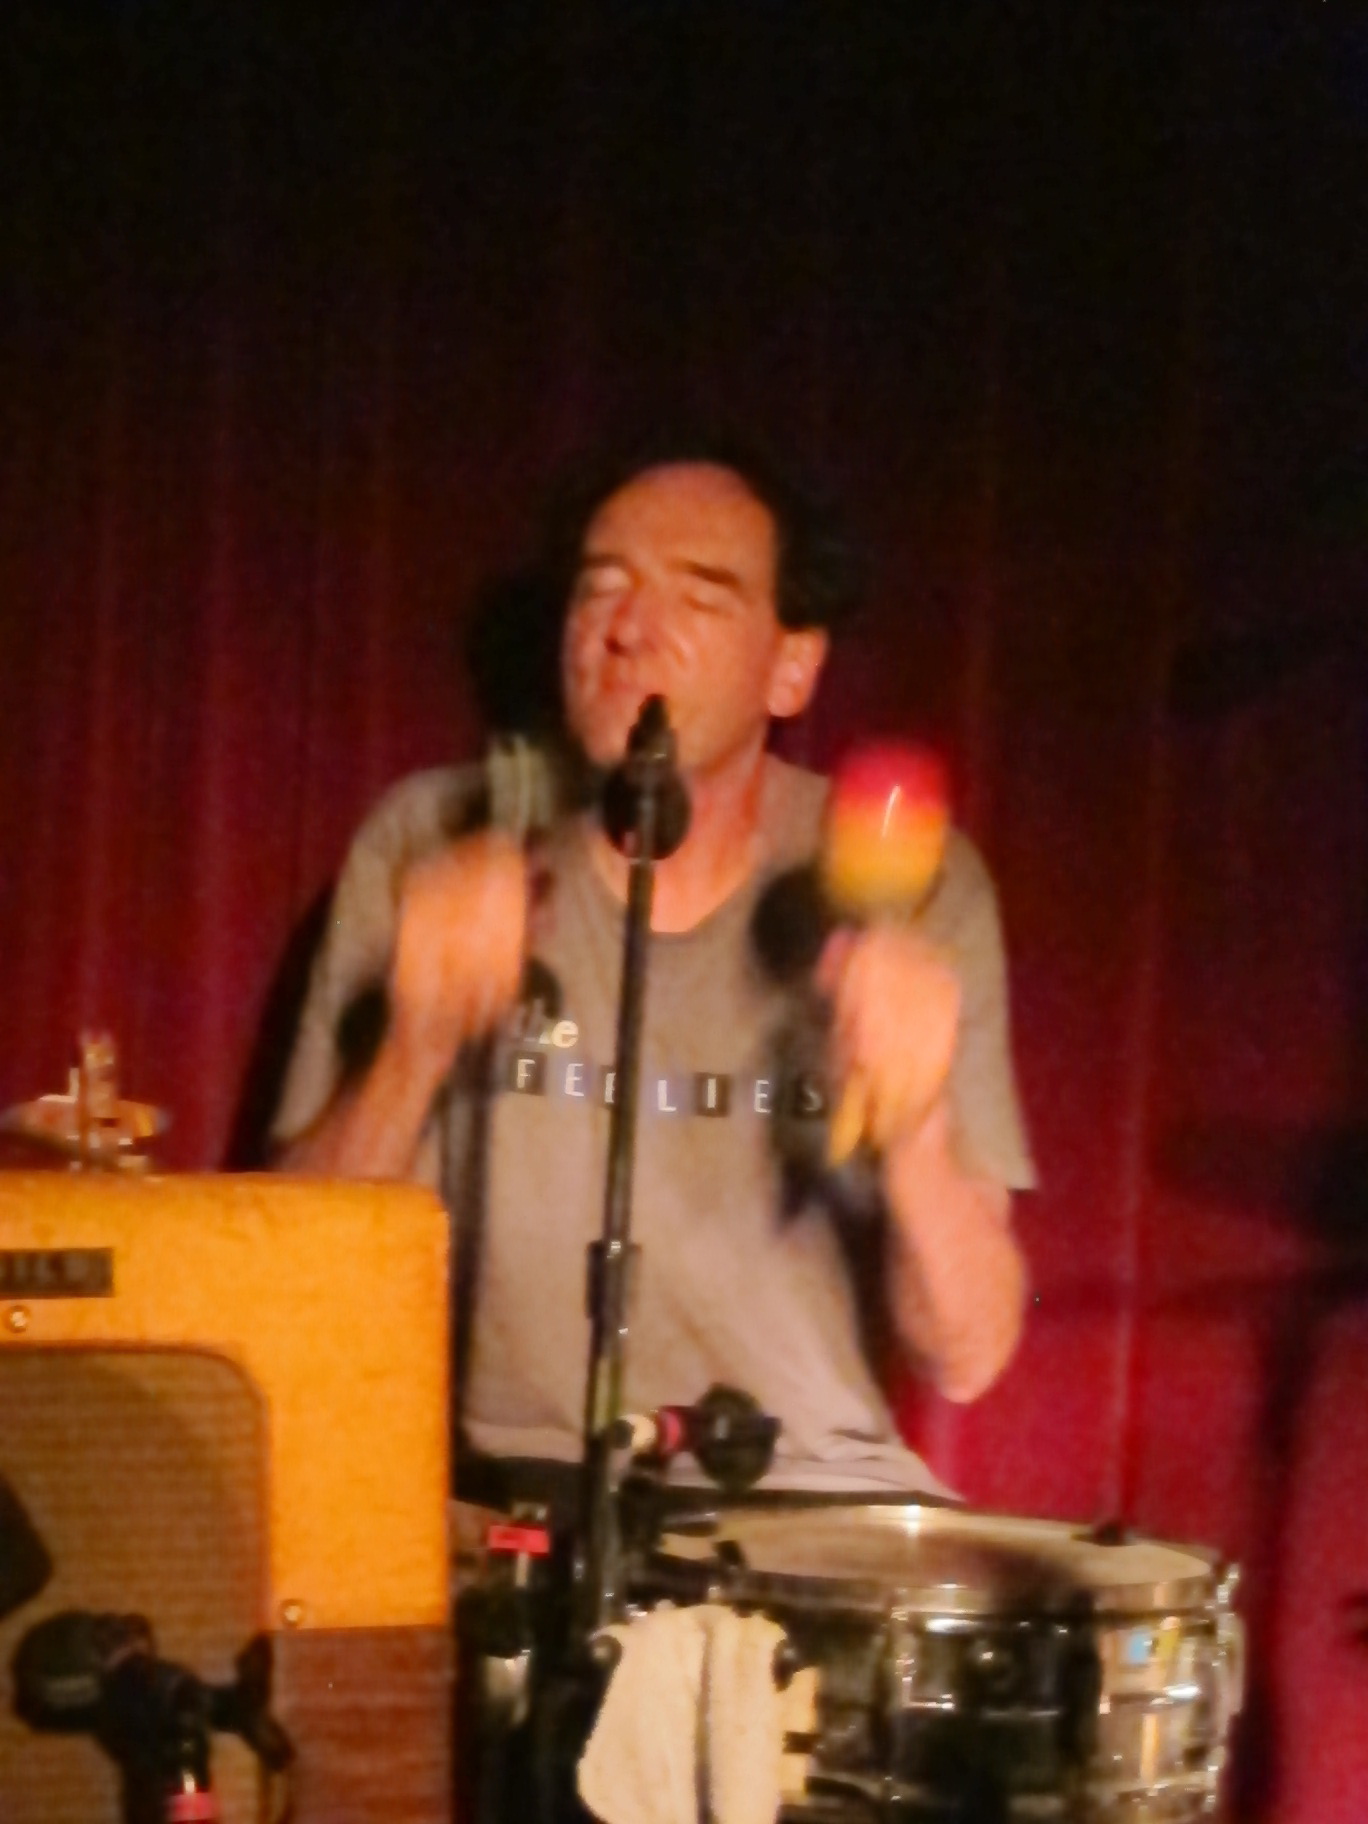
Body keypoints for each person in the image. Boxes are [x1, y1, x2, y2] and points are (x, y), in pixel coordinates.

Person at [272, 431, 1034, 1501]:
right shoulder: (437, 840)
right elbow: (288, 1283)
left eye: (700, 595)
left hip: (806, 1501)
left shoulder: (913, 888)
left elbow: (970, 1350)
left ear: (792, 666)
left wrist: (912, 1132)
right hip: (494, 1496)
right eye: (601, 588)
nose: (629, 629)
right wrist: (413, 1045)